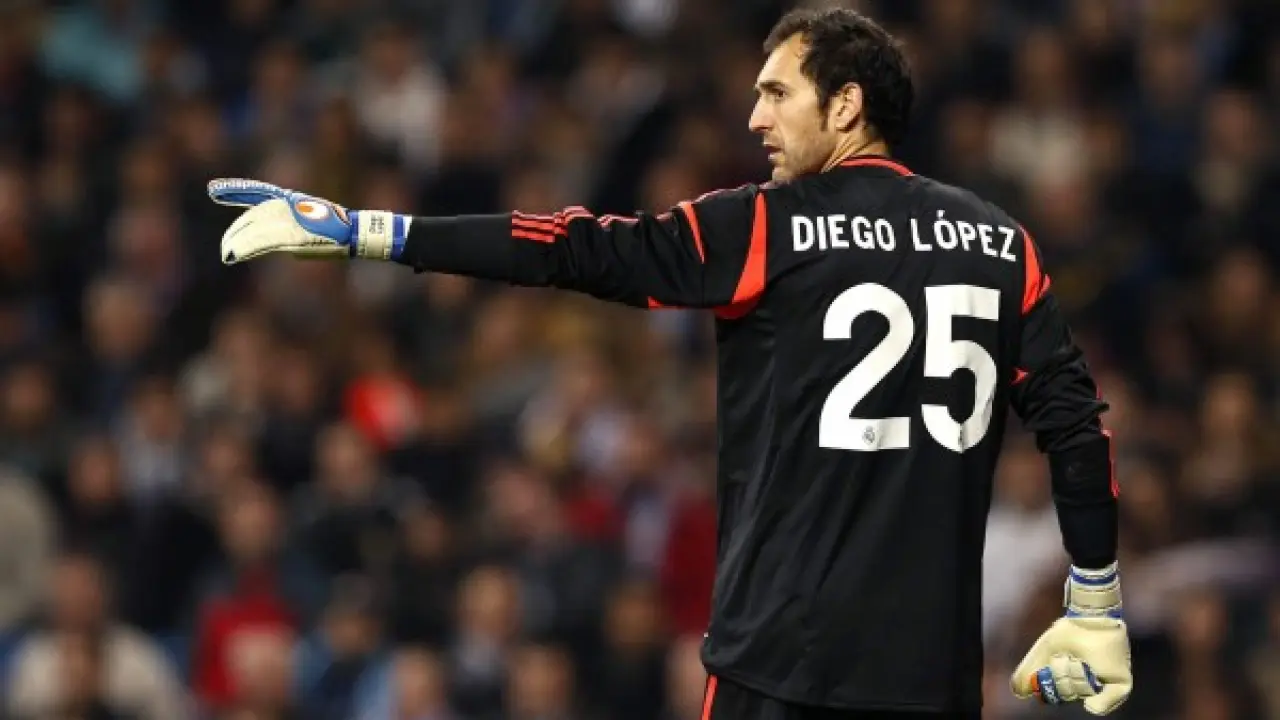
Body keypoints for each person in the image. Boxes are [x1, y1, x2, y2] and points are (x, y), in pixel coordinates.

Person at [206, 7, 1130, 719]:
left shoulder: (769, 225)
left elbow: (574, 248)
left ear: (846, 104)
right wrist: (1094, 599)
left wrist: (372, 232)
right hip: (928, 679)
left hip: (780, 665)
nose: (755, 116)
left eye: (778, 93)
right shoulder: (1003, 245)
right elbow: (1075, 424)